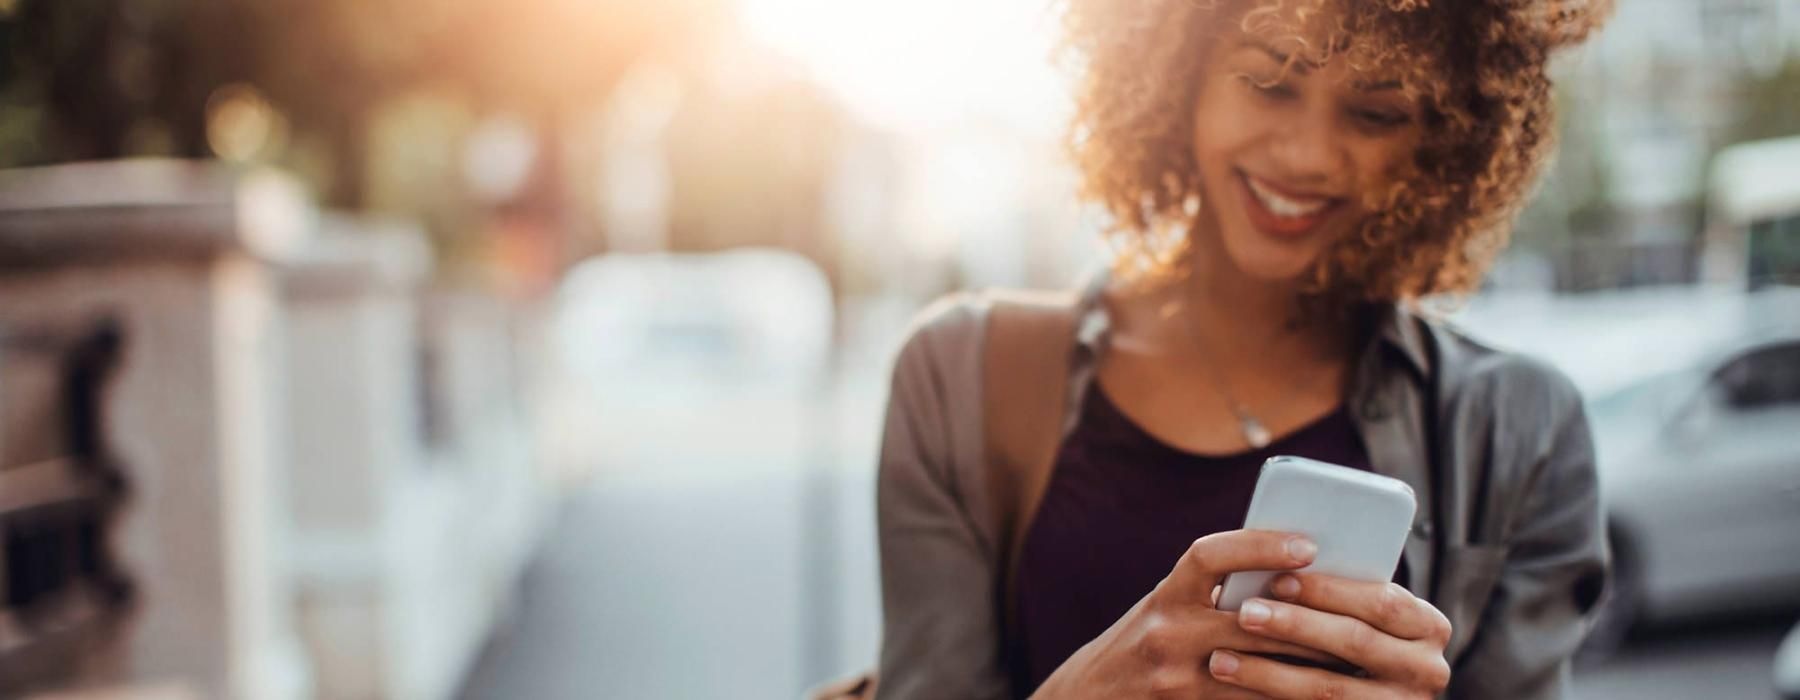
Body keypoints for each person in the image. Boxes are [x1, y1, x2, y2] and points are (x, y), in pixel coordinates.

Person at [873, 1, 1614, 698]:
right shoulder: (962, 376)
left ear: (1443, 140)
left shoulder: (1523, 429)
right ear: (1178, 73)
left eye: (1375, 113)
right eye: (1268, 83)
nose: (1306, 155)